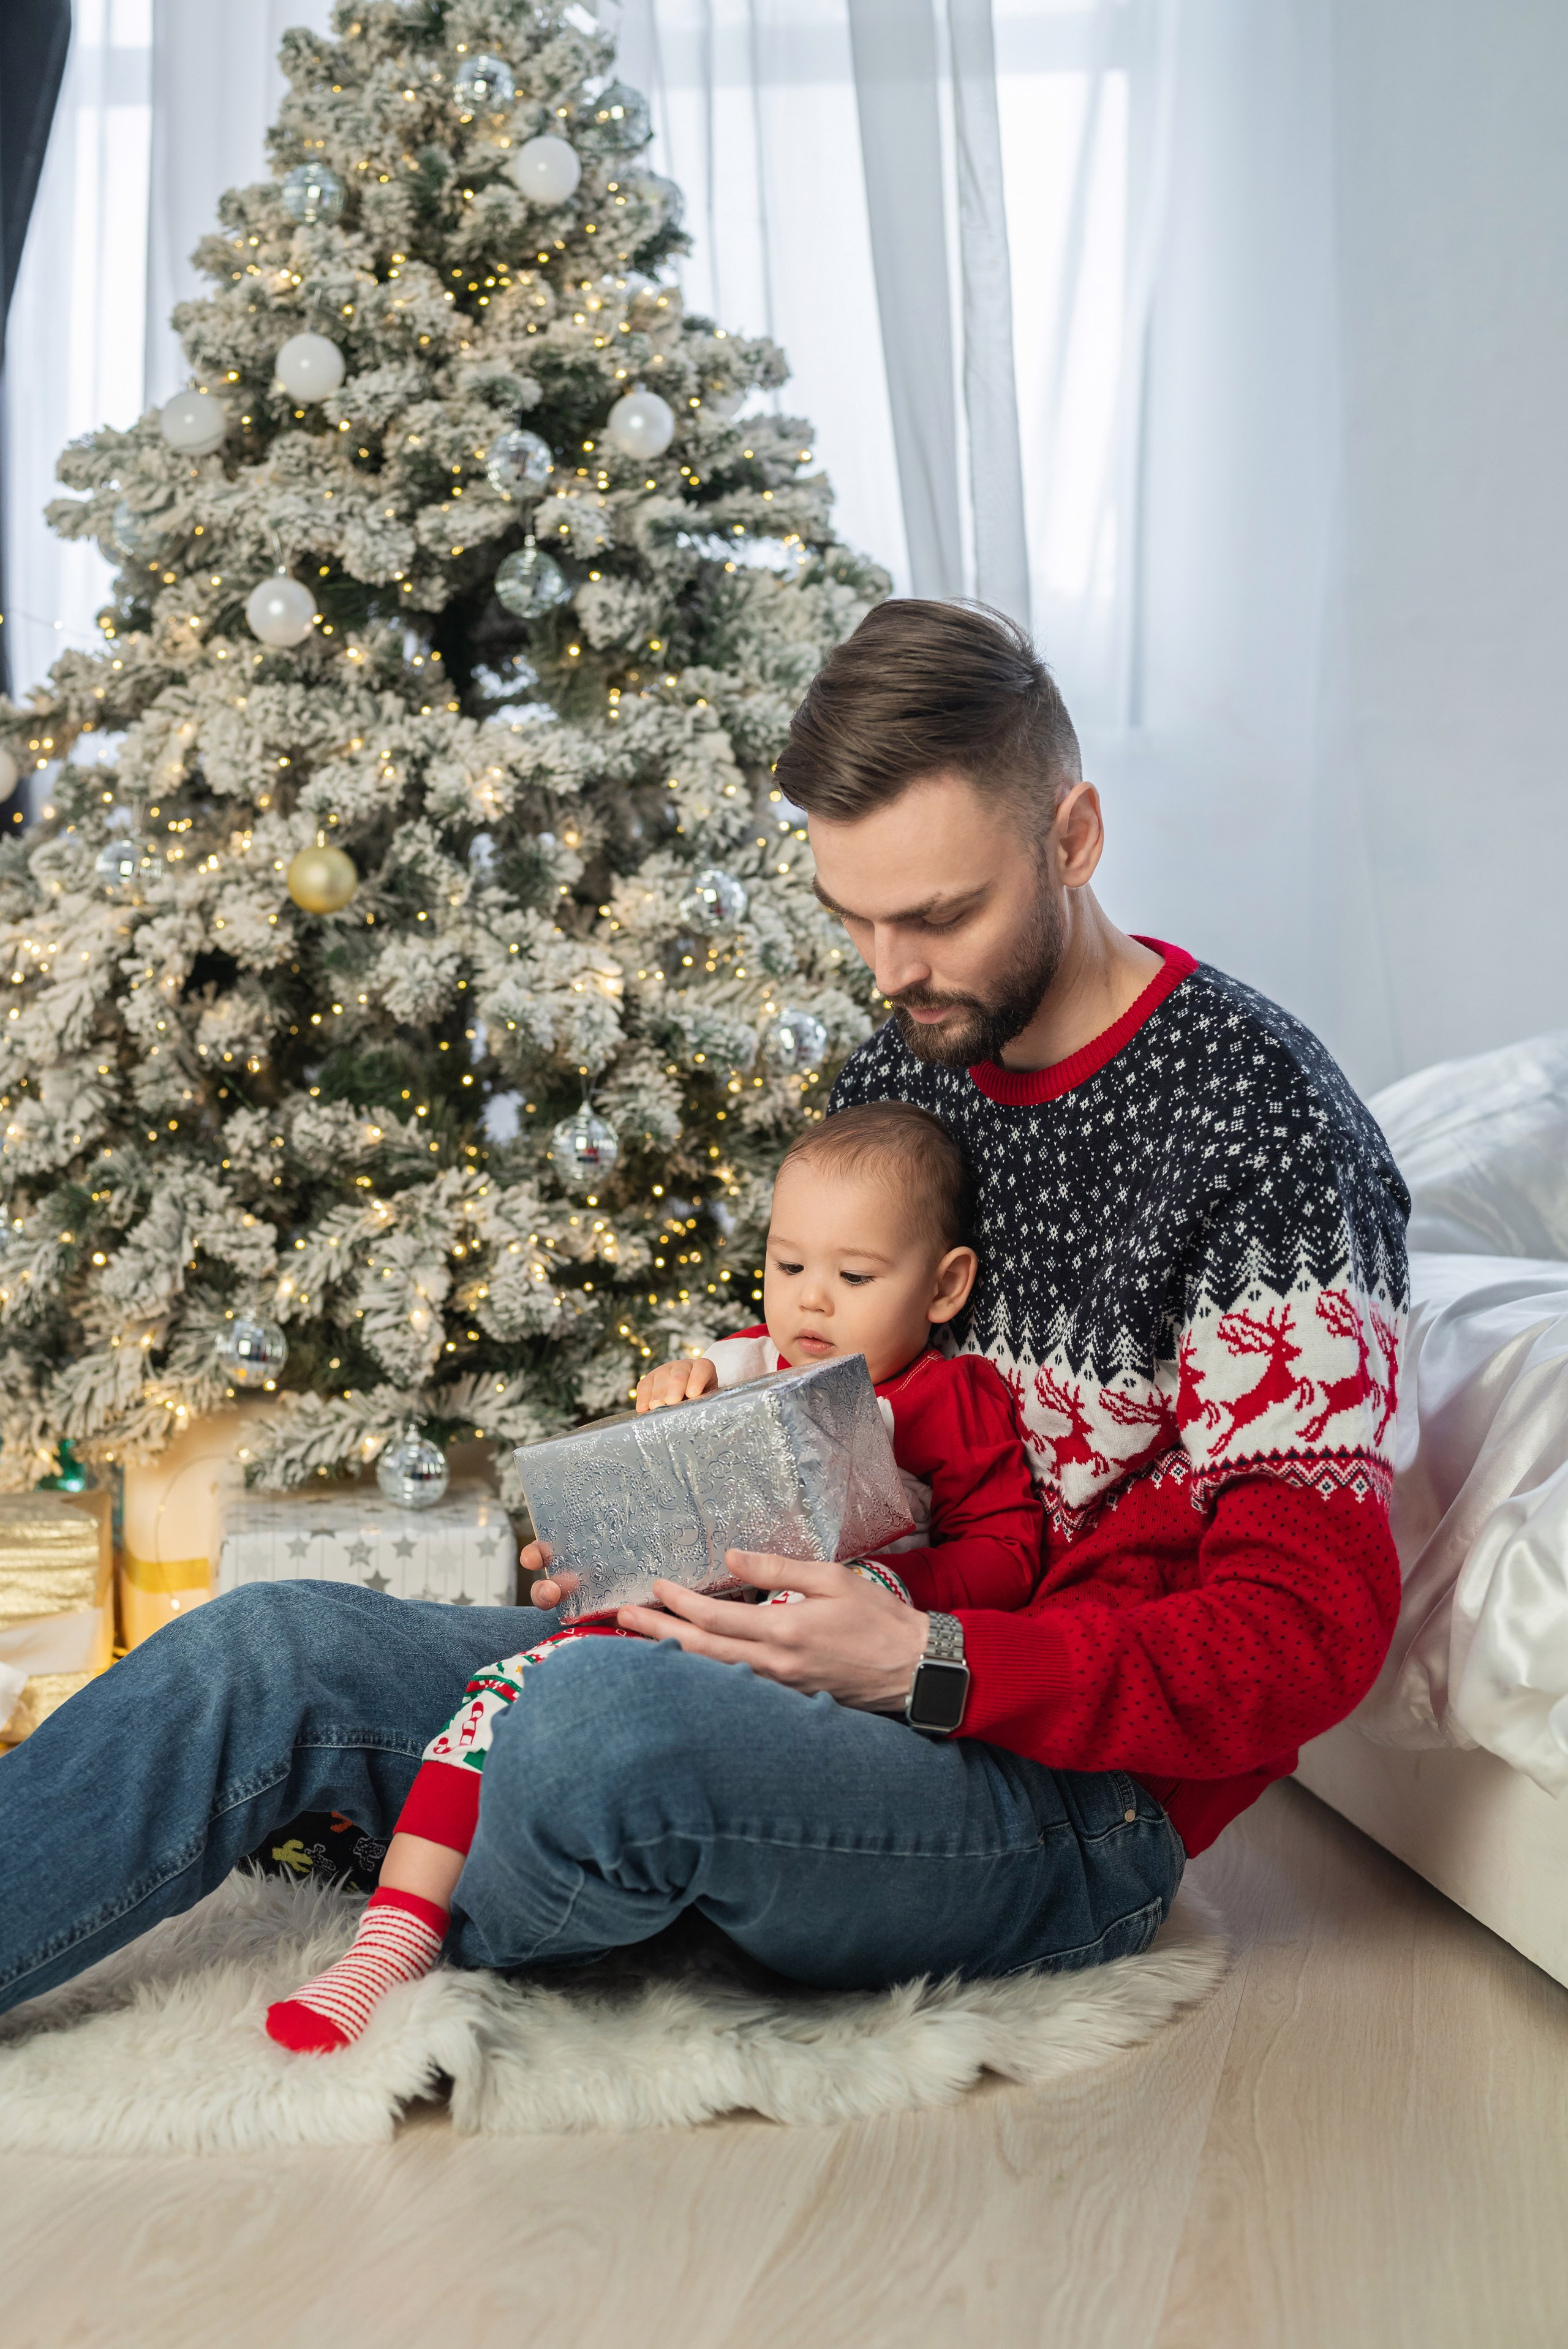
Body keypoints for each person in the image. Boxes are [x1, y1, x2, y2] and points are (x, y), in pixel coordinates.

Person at [0, 599, 1408, 2018]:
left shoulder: (1262, 1129)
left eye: (937, 916)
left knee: (592, 1731)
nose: (890, 971)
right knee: (267, 1648)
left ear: (1073, 837)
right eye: (851, 915)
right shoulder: (905, 1066)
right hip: (789, 1688)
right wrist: (652, 1538)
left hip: (1068, 1807)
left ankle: (432, 1858)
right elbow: (826, 1422)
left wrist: (922, 1664)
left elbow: (1308, 1632)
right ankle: (464, 1844)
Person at [264, 1101, 1046, 2049]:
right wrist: (656, 1429)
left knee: (626, 1744)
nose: (811, 1302)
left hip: (814, 1680)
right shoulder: (735, 1364)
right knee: (499, 1699)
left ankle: (491, 1906)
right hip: (668, 1631)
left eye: (854, 1276)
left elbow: (1010, 1556)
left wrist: (892, 1586)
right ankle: (387, 1944)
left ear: (945, 1286)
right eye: (787, 1266)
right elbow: (648, 1502)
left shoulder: (950, 1397)